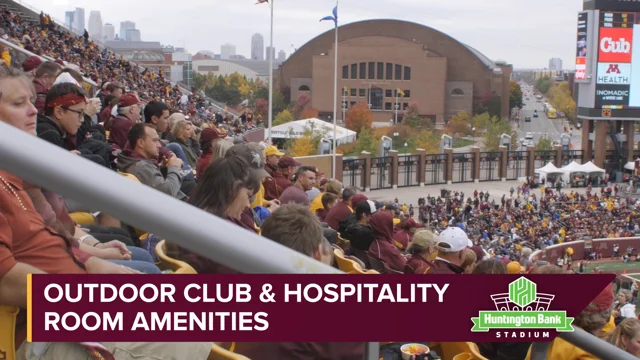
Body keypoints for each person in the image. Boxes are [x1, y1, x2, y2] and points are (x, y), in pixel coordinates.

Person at [0, 65, 211, 359]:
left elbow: (49, 241)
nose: (33, 110)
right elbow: (6, 279)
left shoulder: (11, 175)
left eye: (29, 100)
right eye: (17, 103)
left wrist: (94, 263)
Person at [117, 123, 189, 200]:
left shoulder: (133, 160)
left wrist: (163, 169)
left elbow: (156, 184)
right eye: (154, 140)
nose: (159, 145)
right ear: (140, 143)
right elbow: (168, 192)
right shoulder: (142, 167)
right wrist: (174, 167)